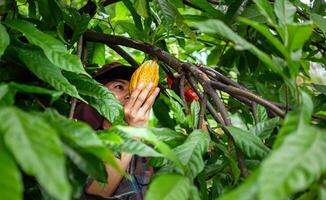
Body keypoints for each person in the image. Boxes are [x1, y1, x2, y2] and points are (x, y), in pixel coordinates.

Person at [74, 62, 160, 200]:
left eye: (136, 88)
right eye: (119, 87)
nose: (131, 95)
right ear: (95, 93)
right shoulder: (74, 138)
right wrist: (132, 134)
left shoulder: (149, 153)